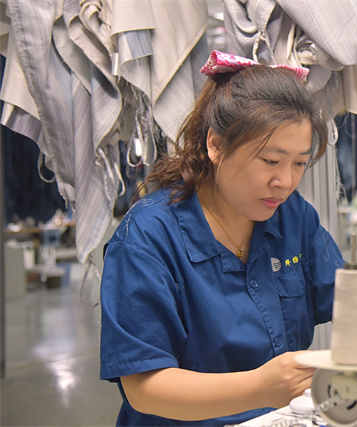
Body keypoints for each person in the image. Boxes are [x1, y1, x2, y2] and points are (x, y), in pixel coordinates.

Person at [99, 50, 344, 426]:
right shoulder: (148, 238)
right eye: (270, 161)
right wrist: (260, 387)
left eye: (299, 163)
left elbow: (348, 300)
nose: (285, 182)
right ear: (216, 145)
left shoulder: (294, 217)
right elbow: (144, 387)